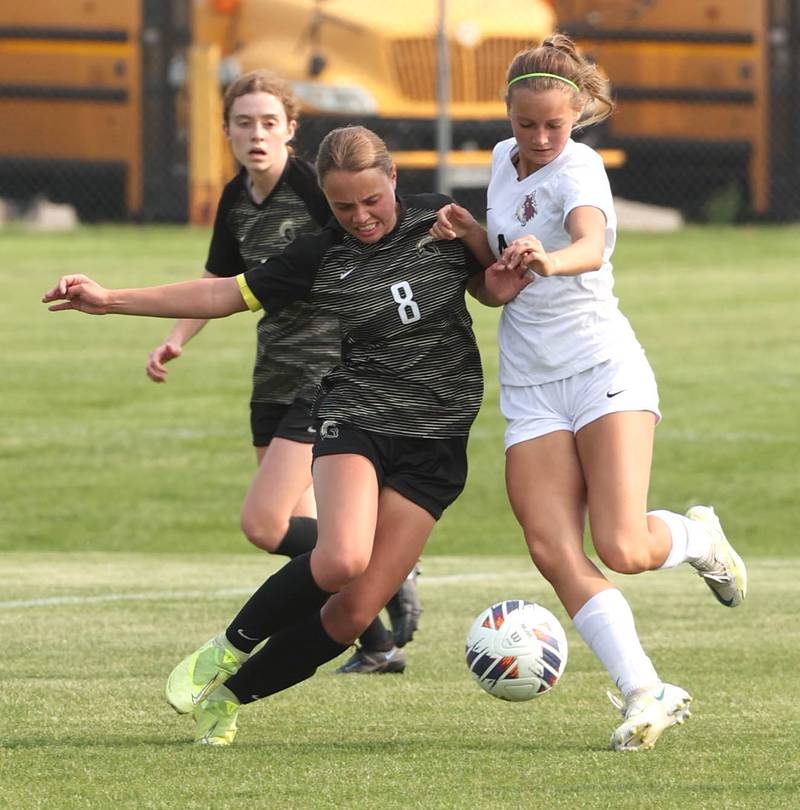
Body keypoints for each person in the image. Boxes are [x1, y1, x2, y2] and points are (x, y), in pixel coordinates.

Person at [42, 125, 528, 746]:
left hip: (437, 441)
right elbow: (222, 293)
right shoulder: (318, 254)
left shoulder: (444, 219)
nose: (361, 217)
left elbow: (488, 285)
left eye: (372, 201)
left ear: (394, 181)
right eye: (343, 206)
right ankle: (224, 648)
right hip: (357, 416)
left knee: (354, 612)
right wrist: (110, 299)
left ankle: (228, 698)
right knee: (342, 558)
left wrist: (491, 263)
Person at [430, 33, 748, 752]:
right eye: (526, 124)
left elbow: (589, 245)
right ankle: (646, 692)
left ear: (577, 116)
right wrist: (478, 239)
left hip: (603, 368)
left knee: (624, 544)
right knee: (550, 546)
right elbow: (494, 287)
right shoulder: (499, 164)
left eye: (555, 124)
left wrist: (549, 259)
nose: (541, 138)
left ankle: (698, 536)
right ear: (507, 115)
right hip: (531, 383)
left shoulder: (582, 168)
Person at [145, 69, 420, 671]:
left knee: (267, 524)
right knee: (310, 532)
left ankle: (382, 569)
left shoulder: (314, 188)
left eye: (270, 122)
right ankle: (377, 645)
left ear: (291, 130)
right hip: (273, 374)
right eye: (244, 123)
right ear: (225, 132)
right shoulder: (234, 198)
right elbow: (219, 282)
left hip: (328, 375)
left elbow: (374, 234)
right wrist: (176, 339)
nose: (257, 133)